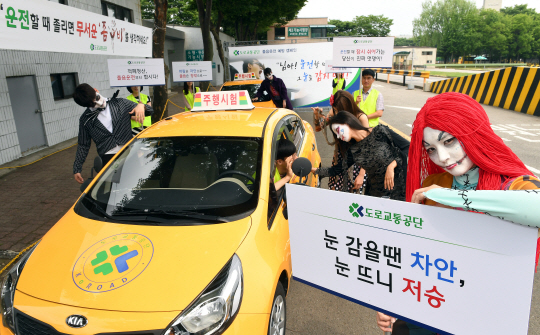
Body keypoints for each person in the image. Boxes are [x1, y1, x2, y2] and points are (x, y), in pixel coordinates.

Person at [376, 92, 540, 335]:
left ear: (474, 131)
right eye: (430, 148)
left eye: (449, 141)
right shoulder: (434, 183)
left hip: (486, 314)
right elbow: (418, 253)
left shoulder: (513, 184)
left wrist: (452, 198)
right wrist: (394, 300)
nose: (441, 157)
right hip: (435, 304)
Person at [312, 111, 407, 200]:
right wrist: (312, 169)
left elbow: (408, 147)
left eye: (338, 130)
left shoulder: (381, 131)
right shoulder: (353, 151)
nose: (338, 136)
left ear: (347, 123)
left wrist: (392, 165)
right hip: (377, 197)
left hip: (399, 191)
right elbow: (335, 170)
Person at [72, 83, 153, 184]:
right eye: (93, 104)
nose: (98, 103)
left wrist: (142, 106)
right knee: (113, 190)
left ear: (96, 90)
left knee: (135, 184)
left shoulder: (119, 103)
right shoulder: (85, 119)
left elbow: (150, 111)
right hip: (107, 159)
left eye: (97, 98)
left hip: (129, 152)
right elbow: (83, 145)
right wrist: (77, 168)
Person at [312, 90, 369, 193]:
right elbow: (318, 128)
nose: (336, 114)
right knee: (334, 189)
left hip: (356, 161)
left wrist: (361, 174)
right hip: (340, 155)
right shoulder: (334, 112)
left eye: (339, 110)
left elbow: (367, 148)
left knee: (352, 193)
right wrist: (317, 115)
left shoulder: (361, 118)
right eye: (335, 110)